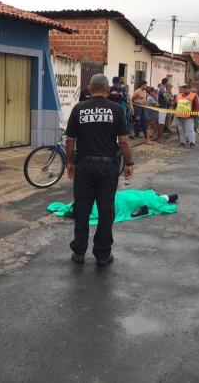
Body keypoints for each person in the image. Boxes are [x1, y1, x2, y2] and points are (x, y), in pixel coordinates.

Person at [65, 74, 134, 266]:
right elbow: (124, 141)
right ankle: (103, 255)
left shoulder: (79, 109)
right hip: (107, 167)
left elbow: (70, 140)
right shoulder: (116, 110)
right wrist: (129, 163)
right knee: (105, 210)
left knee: (82, 208)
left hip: (85, 165)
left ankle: (79, 252)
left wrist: (70, 162)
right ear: (107, 90)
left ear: (89, 88)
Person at [174, 82, 199, 148]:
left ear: (189, 89)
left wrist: (195, 114)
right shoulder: (178, 96)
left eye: (187, 88)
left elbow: (197, 106)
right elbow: (175, 104)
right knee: (181, 129)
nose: (185, 89)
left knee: (190, 129)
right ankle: (182, 142)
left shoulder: (193, 96)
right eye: (184, 88)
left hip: (189, 117)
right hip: (179, 116)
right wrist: (174, 111)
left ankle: (192, 142)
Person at [156, 78, 171, 143]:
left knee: (162, 124)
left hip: (163, 107)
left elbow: (169, 98)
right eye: (168, 82)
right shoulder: (162, 89)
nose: (169, 84)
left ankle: (161, 137)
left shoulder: (163, 89)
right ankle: (159, 138)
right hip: (161, 108)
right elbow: (167, 98)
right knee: (160, 124)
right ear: (166, 82)